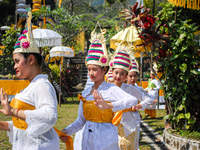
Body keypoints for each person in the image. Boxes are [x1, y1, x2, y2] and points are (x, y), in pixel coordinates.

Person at [60, 30, 139, 150]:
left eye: (95, 69)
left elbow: (132, 100)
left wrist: (109, 105)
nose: (91, 73)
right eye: (89, 69)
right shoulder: (86, 93)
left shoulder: (111, 89)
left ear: (104, 70)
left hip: (106, 141)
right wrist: (66, 131)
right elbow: (81, 121)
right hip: (87, 140)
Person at [0, 12, 60, 149]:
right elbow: (24, 125)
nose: (15, 66)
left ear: (31, 60)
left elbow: (50, 116)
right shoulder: (32, 86)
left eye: (17, 61)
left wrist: (13, 111)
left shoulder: (42, 85)